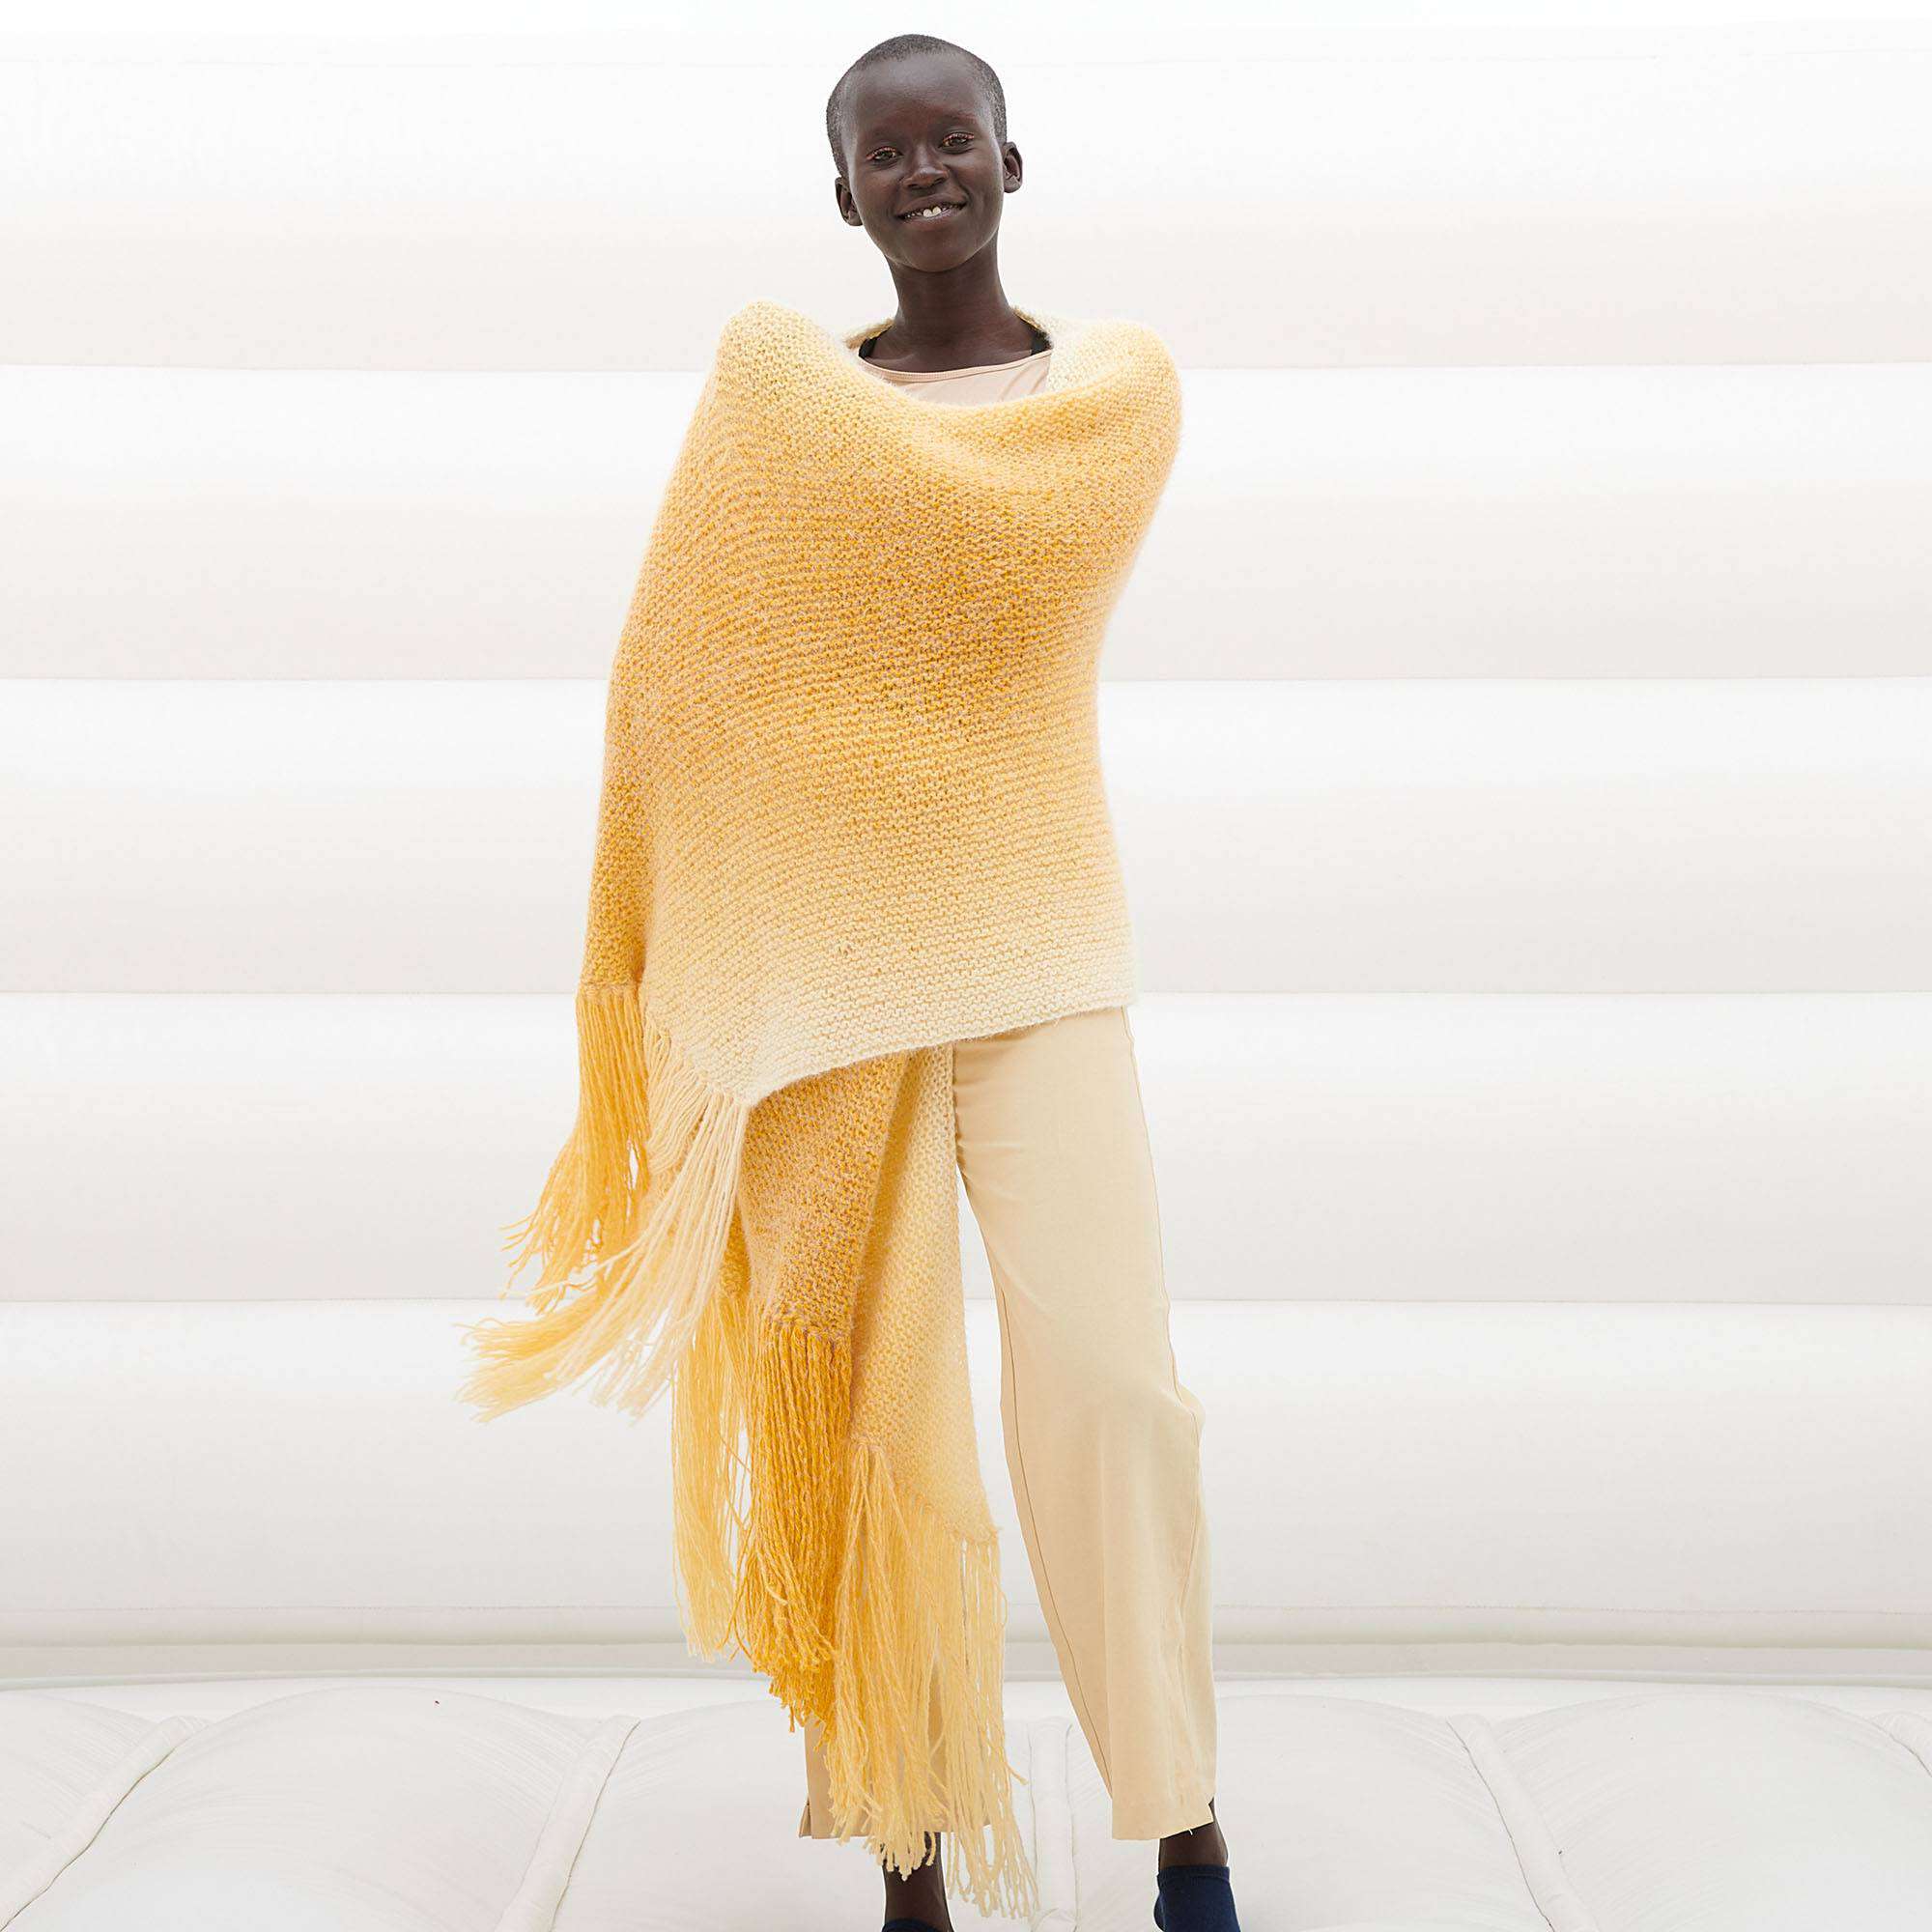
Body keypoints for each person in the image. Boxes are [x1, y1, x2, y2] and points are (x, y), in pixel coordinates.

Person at [813, 35, 1240, 1932]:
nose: (923, 173)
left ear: (1008, 163)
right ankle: (909, 1848)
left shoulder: (1104, 400)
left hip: (1042, 940)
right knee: (878, 1412)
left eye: (952, 142)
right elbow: (714, 672)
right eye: (885, 152)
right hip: (839, 966)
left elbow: (1004, 605)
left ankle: (1185, 1823)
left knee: (1114, 1386)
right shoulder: (788, 417)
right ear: (843, 194)